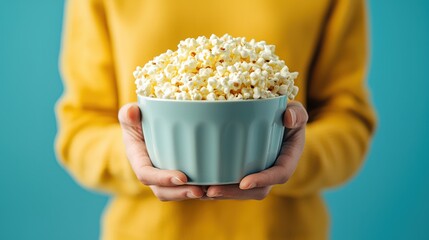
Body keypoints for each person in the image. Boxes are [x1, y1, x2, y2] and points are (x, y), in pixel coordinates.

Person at [55, 0, 376, 239]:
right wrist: (140, 155)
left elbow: (348, 119)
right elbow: (81, 128)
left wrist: (290, 153)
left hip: (282, 231)